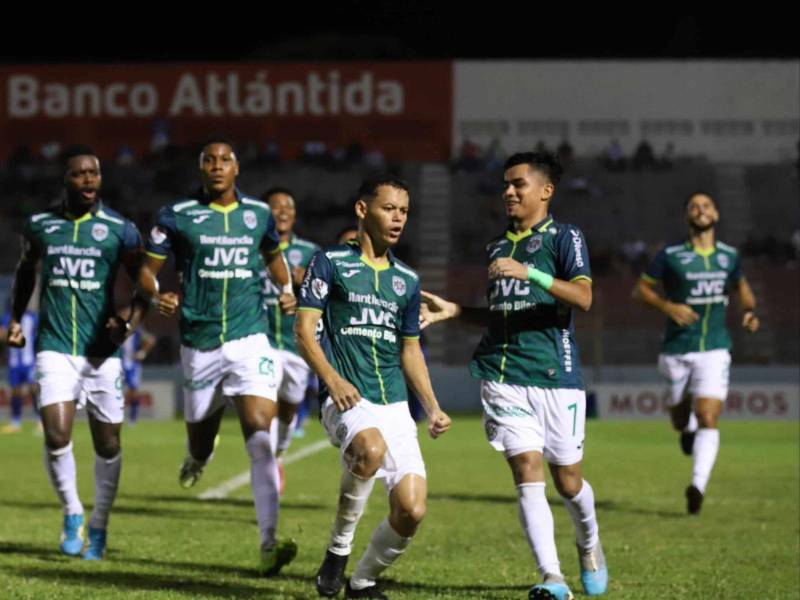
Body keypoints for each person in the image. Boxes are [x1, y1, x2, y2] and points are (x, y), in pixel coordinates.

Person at [420, 152, 608, 599]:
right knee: (527, 469)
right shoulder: (496, 247)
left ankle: (590, 544)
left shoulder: (565, 237)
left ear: (546, 191)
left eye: (518, 184)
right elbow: (504, 314)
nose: (508, 191)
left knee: (569, 482)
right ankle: (552, 577)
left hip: (556, 374)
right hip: (502, 373)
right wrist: (457, 312)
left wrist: (532, 273)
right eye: (506, 184)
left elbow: (583, 298)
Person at [138, 138, 298, 575]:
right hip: (200, 343)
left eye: (224, 160)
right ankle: (199, 458)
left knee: (260, 437)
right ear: (200, 168)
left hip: (251, 340)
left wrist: (286, 291)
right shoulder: (178, 216)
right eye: (208, 160)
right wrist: (157, 297)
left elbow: (274, 258)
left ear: (237, 167)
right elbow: (147, 272)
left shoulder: (258, 216)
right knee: (201, 438)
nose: (216, 166)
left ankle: (269, 542)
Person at [295, 175, 451, 599]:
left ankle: (361, 582)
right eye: (389, 208)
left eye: (404, 210)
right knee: (370, 448)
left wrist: (432, 406)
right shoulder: (329, 262)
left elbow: (411, 351)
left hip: (395, 405)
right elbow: (304, 330)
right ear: (363, 210)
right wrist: (332, 379)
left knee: (412, 511)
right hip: (346, 396)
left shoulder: (407, 279)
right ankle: (337, 552)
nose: (398, 217)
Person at [4, 145, 145, 560]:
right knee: (56, 433)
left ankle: (99, 524)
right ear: (65, 180)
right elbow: (26, 272)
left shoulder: (121, 229)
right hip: (55, 346)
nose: (88, 179)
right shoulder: (41, 225)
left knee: (108, 446)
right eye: (79, 173)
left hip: (101, 353)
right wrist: (15, 319)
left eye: (94, 173)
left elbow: (145, 284)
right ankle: (72, 512)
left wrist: (129, 323)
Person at [633, 192, 759, 514]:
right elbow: (640, 290)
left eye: (706, 206)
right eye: (693, 206)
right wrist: (667, 305)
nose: (700, 210)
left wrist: (749, 311)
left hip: (715, 347)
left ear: (716, 214)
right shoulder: (670, 255)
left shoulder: (729, 256)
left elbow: (742, 288)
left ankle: (697, 487)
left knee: (708, 415)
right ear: (687, 216)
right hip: (676, 347)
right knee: (680, 419)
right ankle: (685, 429)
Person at [260, 186, 320, 487]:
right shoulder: (252, 248)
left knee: (288, 410)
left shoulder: (310, 253)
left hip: (297, 345)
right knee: (265, 405)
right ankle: (268, 468)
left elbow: (325, 298)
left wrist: (302, 290)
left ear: (294, 215)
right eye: (275, 206)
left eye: (288, 206)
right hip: (262, 342)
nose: (282, 211)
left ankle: (279, 454)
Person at [0, 306, 39, 433]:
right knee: (15, 391)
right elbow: (2, 334)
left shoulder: (32, 317)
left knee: (34, 389)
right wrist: (7, 334)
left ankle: (40, 421)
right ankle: (15, 422)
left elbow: (39, 336)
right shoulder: (8, 317)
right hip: (14, 363)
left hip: (30, 362)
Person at [118, 307, 156, 425]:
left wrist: (142, 353)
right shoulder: (117, 329)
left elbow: (150, 340)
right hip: (119, 363)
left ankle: (133, 418)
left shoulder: (137, 330)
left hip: (133, 364)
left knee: (134, 390)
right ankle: (116, 415)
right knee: (116, 390)